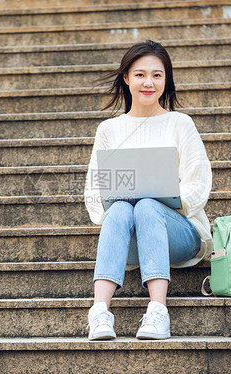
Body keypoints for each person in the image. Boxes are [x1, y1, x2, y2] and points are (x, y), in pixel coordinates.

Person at [84, 40, 213, 340]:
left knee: (146, 206)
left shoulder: (180, 124)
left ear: (166, 80)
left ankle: (158, 311)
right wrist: (122, 208)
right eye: (140, 74)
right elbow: (93, 195)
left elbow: (198, 185)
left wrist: (160, 196)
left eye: (157, 75)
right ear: (127, 78)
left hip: (179, 234)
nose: (148, 82)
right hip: (129, 239)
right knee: (120, 208)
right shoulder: (109, 130)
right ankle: (100, 312)